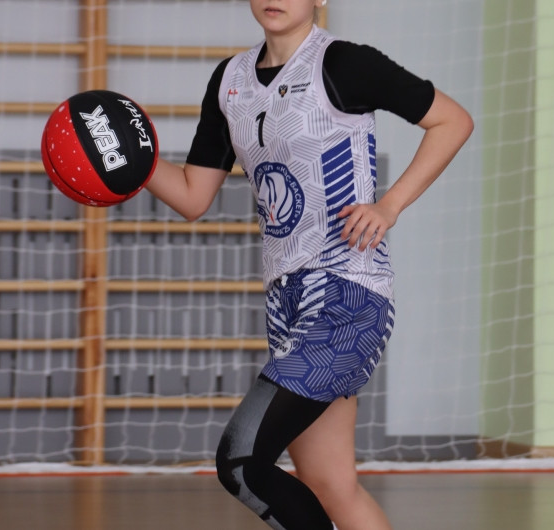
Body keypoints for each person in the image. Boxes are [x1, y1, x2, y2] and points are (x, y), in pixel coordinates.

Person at [145, 0, 473, 528]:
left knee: (241, 462)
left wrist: (389, 206)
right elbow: (192, 196)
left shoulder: (344, 63)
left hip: (346, 295)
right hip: (288, 303)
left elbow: (452, 120)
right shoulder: (229, 81)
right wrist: (130, 160)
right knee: (331, 485)